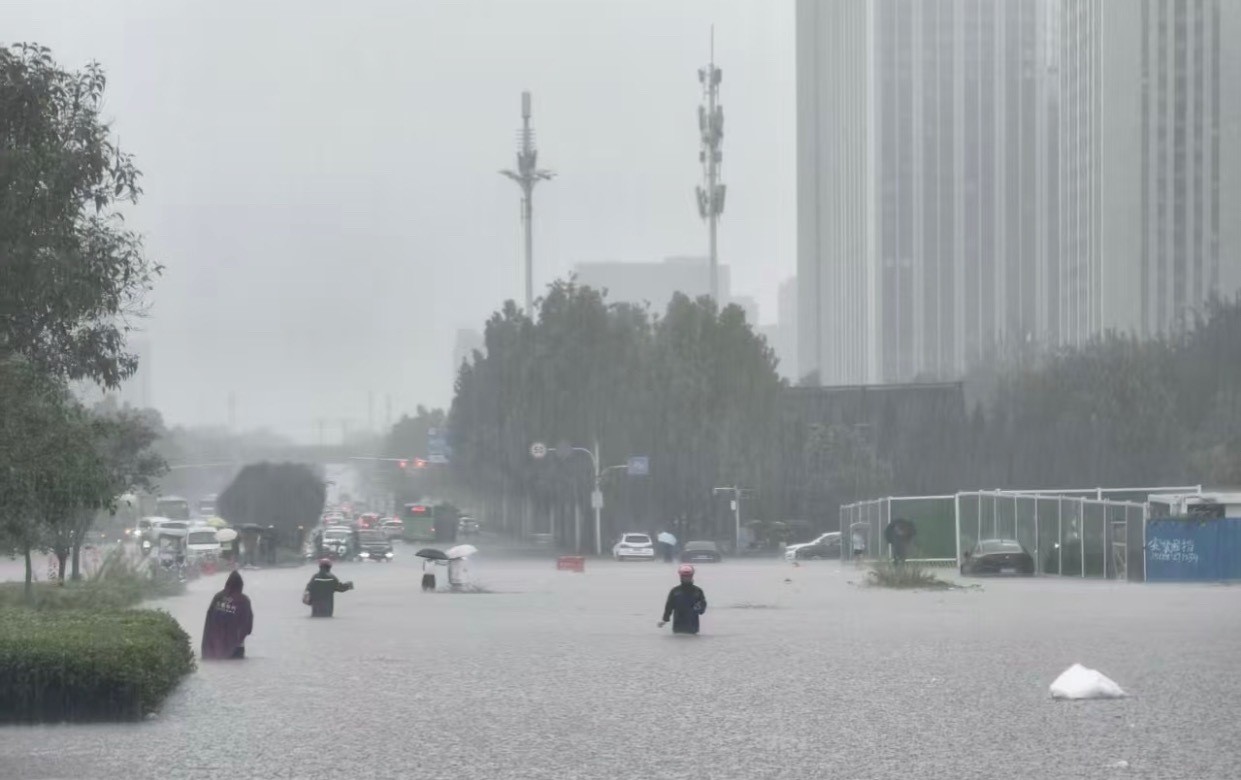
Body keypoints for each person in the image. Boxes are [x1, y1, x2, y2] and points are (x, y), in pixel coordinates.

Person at [201, 570, 253, 659]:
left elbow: (209, 618)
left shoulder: (218, 597)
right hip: (236, 647)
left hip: (214, 646)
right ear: (241, 585)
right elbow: (248, 625)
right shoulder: (244, 600)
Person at [658, 564, 707, 635]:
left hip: (693, 626)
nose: (686, 578)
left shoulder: (698, 591)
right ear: (680, 576)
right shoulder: (675, 591)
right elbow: (669, 606)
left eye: (688, 576)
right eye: (684, 576)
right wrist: (664, 620)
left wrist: (699, 608)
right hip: (678, 626)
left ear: (692, 576)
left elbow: (703, 606)